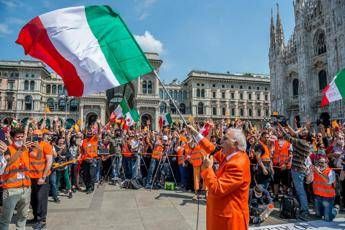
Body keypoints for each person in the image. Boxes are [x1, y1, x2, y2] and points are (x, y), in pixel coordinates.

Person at [189, 125, 250, 230]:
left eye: (225, 139)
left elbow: (217, 189)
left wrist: (207, 169)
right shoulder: (231, 155)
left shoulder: (238, 164)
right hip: (221, 216)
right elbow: (211, 148)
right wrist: (196, 133)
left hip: (229, 221)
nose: (221, 140)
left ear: (235, 144)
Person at [278, 123, 311, 220]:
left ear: (305, 136)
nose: (302, 131)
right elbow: (293, 134)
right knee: (299, 191)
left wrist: (280, 127)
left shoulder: (302, 143)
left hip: (297, 170)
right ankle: (300, 208)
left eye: (304, 131)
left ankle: (304, 211)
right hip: (298, 169)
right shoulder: (303, 142)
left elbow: (288, 137)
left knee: (300, 192)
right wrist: (287, 125)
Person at [0, 128, 31, 230]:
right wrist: (20, 150)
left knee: (23, 216)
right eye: (18, 137)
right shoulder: (7, 149)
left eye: (22, 137)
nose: (20, 139)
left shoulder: (26, 149)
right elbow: (9, 161)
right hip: (11, 189)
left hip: (25, 188)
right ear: (12, 138)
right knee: (6, 219)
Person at [28, 129, 53, 229]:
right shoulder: (29, 146)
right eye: (34, 135)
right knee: (33, 199)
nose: (36, 138)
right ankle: (35, 217)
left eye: (38, 136)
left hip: (42, 177)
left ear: (41, 136)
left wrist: (43, 176)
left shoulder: (46, 145)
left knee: (41, 199)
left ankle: (42, 220)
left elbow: (49, 162)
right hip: (31, 177)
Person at [307, 157, 339, 222]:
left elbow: (328, 181)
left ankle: (335, 210)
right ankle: (326, 211)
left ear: (326, 164)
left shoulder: (330, 171)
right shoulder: (315, 171)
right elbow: (308, 181)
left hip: (328, 197)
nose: (320, 164)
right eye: (319, 163)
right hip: (318, 196)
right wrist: (310, 171)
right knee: (318, 215)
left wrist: (318, 172)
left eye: (322, 163)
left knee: (327, 218)